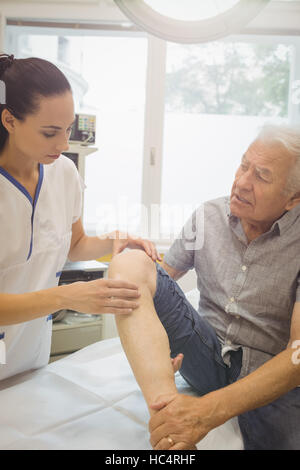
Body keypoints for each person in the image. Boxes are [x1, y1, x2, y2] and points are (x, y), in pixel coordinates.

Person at [108, 124, 300, 450]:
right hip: (204, 354)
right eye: (243, 165)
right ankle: (173, 433)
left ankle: (180, 429)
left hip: (268, 376)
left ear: (293, 198)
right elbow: (155, 282)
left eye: (262, 177)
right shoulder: (208, 216)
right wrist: (148, 341)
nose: (241, 183)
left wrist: (207, 412)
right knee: (130, 262)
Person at [0, 53, 161, 381]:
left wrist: (113, 239)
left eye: (68, 129)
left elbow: (73, 244)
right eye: (50, 132)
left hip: (30, 358)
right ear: (10, 120)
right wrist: (65, 296)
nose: (63, 143)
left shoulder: (63, 173)